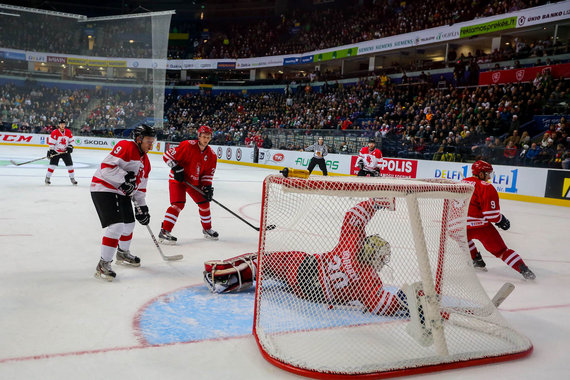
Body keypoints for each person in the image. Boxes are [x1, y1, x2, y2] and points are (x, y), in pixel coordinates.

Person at [203, 198, 410, 317]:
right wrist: (403, 303)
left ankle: (222, 277)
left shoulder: (352, 243)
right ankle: (227, 277)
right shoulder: (369, 279)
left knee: (263, 261)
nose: (384, 261)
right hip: (310, 294)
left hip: (302, 268)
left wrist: (375, 202)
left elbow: (353, 216)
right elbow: (380, 305)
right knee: (272, 268)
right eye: (382, 257)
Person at [90, 124, 156, 281]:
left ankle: (122, 253)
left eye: (152, 141)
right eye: (148, 140)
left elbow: (139, 189)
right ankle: (103, 264)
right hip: (103, 187)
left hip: (121, 192)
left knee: (129, 225)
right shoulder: (126, 146)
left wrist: (142, 208)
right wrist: (124, 179)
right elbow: (106, 168)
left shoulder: (146, 164)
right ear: (138, 139)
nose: (151, 144)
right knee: (117, 226)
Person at [462, 161, 535, 280]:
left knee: (464, 240)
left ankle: (476, 260)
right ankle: (524, 270)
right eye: (487, 174)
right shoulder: (485, 186)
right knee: (501, 251)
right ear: (481, 174)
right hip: (482, 228)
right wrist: (501, 220)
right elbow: (491, 214)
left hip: (462, 226)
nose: (489, 177)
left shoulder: (462, 183)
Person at [159, 125, 218, 244]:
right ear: (199, 136)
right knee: (178, 205)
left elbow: (207, 175)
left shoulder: (212, 155)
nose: (206, 139)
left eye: (208, 137)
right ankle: (164, 231)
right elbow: (167, 156)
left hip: (193, 182)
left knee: (204, 204)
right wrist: (176, 168)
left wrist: (207, 187)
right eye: (204, 136)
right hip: (178, 180)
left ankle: (207, 229)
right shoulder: (187, 145)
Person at [45, 119, 77, 185]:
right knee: (52, 166)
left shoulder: (68, 132)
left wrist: (70, 147)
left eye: (63, 124)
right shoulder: (55, 132)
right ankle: (47, 178)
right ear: (59, 125)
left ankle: (72, 179)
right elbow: (51, 143)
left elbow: (71, 141)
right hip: (56, 152)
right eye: (61, 124)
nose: (62, 125)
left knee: (70, 166)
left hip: (65, 152)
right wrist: (51, 150)